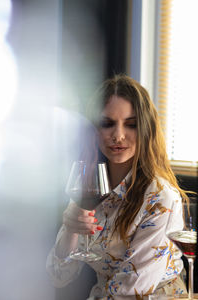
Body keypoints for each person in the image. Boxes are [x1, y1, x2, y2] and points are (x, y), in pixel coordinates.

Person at [46, 74, 188, 299]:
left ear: (145, 130)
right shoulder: (89, 188)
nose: (118, 136)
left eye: (130, 125)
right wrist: (71, 229)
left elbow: (129, 292)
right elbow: (58, 276)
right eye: (107, 123)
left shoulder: (161, 199)